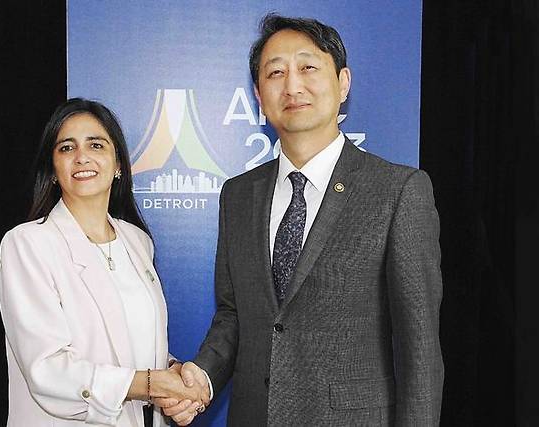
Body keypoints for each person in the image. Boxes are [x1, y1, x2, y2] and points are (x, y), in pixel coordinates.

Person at [157, 13, 444, 426]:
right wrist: (202, 376)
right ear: (259, 95)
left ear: (343, 83)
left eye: (308, 67)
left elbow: (419, 348)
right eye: (276, 73)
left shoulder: (397, 191)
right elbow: (235, 315)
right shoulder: (238, 195)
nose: (292, 86)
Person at [0, 98, 208, 427]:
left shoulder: (137, 241)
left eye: (96, 145)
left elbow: (131, 347)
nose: (82, 157)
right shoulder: (27, 244)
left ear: (118, 164)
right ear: (53, 170)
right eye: (67, 148)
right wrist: (150, 384)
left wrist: (173, 374)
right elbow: (47, 370)